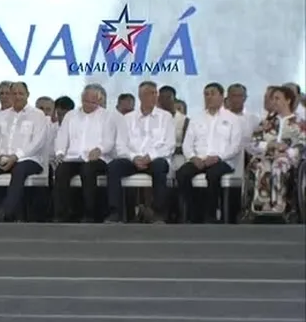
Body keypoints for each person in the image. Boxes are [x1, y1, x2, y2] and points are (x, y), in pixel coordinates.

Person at [0, 81, 47, 222]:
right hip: (3, 158)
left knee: (19, 170)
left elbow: (38, 143)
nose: (17, 97)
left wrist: (16, 156)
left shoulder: (38, 115)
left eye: (21, 93)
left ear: (27, 95)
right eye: (14, 94)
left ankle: (5, 212)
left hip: (29, 159)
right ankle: (0, 210)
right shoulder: (2, 115)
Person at [106, 81, 175, 223]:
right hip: (133, 160)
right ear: (141, 96)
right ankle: (115, 212)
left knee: (161, 166)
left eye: (155, 93)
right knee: (113, 167)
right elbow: (121, 145)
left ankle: (158, 213)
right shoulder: (127, 118)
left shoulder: (166, 117)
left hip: (154, 159)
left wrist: (150, 156)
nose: (154, 96)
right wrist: (134, 157)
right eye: (150, 93)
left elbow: (170, 145)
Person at [176, 83, 244, 223]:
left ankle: (211, 215)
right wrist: (193, 158)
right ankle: (193, 214)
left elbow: (236, 146)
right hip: (199, 159)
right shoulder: (196, 118)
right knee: (182, 173)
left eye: (213, 94)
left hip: (223, 160)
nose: (209, 97)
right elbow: (187, 144)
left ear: (222, 96)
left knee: (212, 174)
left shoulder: (233, 119)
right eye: (206, 94)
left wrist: (218, 157)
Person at [52, 84, 116, 223]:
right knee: (61, 170)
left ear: (99, 101)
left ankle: (89, 213)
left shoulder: (107, 116)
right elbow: (62, 136)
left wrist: (99, 149)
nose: (88, 105)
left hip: (97, 158)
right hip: (73, 157)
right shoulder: (71, 115)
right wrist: (60, 152)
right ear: (81, 99)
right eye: (86, 101)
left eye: (93, 102)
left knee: (88, 170)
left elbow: (109, 140)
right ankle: (61, 214)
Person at [241, 85, 305, 220]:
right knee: (261, 165)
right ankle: (261, 205)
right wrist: (269, 145)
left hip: (289, 158)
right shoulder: (267, 123)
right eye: (273, 99)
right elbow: (253, 143)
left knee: (279, 164)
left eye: (277, 98)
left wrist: (287, 152)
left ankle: (279, 205)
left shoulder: (299, 122)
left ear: (288, 100)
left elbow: (303, 143)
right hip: (267, 156)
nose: (274, 102)